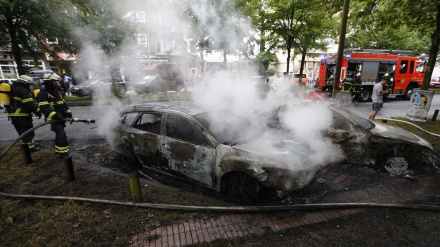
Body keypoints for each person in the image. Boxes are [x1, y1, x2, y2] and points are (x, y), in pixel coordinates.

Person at [36, 73, 73, 158]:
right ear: (48, 82)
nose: (56, 84)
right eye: (54, 82)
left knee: (59, 133)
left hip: (61, 117)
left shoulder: (57, 91)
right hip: (53, 118)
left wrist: (69, 113)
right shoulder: (42, 93)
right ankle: (63, 153)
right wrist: (56, 116)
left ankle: (58, 149)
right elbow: (45, 108)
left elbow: (63, 104)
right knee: (61, 133)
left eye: (57, 82)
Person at [7, 75, 42, 152]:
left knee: (22, 132)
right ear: (25, 83)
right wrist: (37, 112)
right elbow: (29, 104)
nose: (29, 86)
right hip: (22, 115)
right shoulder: (23, 91)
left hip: (13, 115)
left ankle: (26, 146)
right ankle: (30, 148)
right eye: (28, 84)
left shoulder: (13, 88)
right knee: (27, 132)